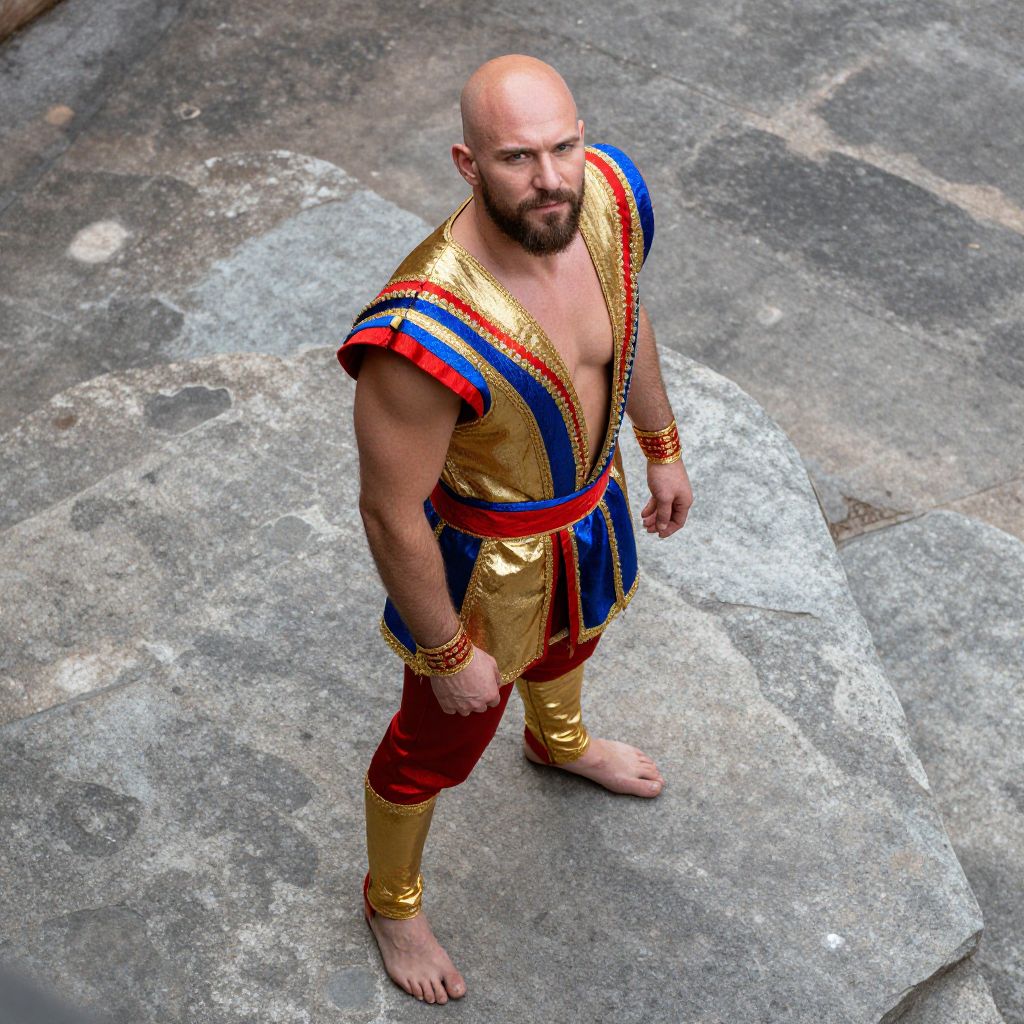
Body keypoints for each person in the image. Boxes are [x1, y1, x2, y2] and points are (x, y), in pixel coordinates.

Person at [335, 54, 693, 1005]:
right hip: (481, 564)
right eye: (517, 158)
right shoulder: (423, 329)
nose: (551, 179)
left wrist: (660, 443)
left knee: (579, 635)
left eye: (564, 146)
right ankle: (392, 900)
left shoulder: (607, 198)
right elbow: (387, 509)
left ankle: (561, 740)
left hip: (588, 512)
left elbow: (627, 312)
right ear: (467, 163)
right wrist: (446, 650)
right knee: (433, 746)